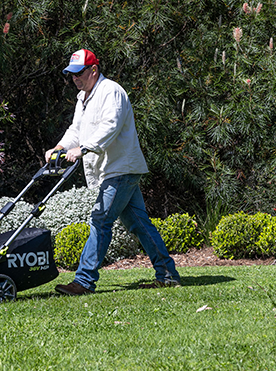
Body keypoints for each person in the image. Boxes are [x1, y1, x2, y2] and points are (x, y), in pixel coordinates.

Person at [46, 49, 181, 296]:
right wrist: (60, 147)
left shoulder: (112, 92)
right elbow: (76, 129)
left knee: (100, 220)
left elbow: (111, 126)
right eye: (71, 75)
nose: (75, 79)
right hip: (110, 169)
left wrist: (83, 148)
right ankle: (168, 275)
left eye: (79, 73)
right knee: (140, 224)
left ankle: (84, 281)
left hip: (120, 167)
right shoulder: (83, 97)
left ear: (93, 70)